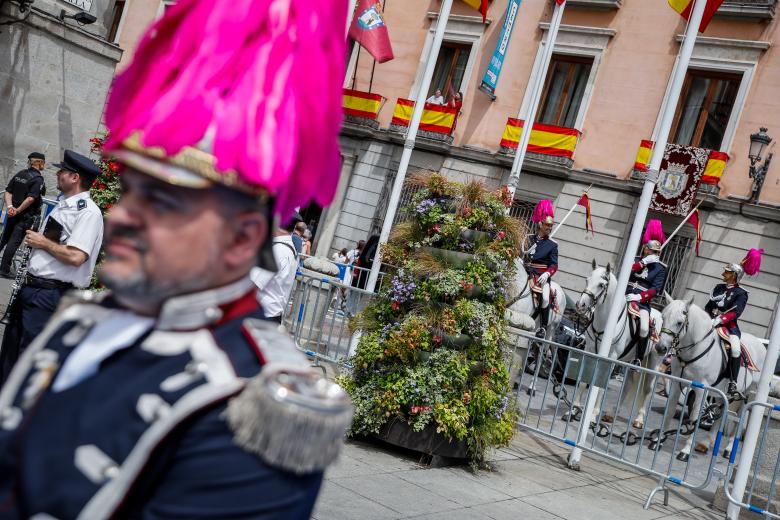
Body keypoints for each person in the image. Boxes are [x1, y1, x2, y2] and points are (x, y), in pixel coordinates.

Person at [0, 0, 352, 517]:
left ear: (239, 239)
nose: (121, 217)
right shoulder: (85, 319)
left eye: (161, 204)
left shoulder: (257, 401)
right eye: (133, 192)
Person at [0, 149, 103, 383]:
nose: (57, 175)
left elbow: (77, 257)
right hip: (33, 290)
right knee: (10, 355)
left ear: (75, 177)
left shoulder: (88, 213)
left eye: (63, 172)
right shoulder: (63, 204)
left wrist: (42, 242)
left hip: (50, 295)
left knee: (29, 362)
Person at [705, 249, 761, 401]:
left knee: (735, 349)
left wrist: (720, 320)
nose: (724, 273)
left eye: (728, 272)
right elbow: (708, 306)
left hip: (729, 327)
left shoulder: (741, 293)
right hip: (712, 321)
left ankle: (732, 383)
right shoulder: (718, 288)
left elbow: (736, 313)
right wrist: (708, 318)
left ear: (734, 276)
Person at [625, 220, 667, 365]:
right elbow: (626, 271)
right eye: (651, 251)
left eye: (656, 252)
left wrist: (639, 297)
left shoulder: (660, 268)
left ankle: (638, 358)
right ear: (645, 249)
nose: (653, 254)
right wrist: (643, 262)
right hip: (624, 297)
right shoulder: (635, 260)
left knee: (643, 327)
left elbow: (655, 289)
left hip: (641, 304)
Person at [0, 151, 47, 277]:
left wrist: (10, 207)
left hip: (12, 213)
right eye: (43, 162)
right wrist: (18, 210)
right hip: (24, 216)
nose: (44, 165)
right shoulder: (38, 179)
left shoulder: (21, 174)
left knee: (4, 238)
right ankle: (4, 270)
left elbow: (8, 191)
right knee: (13, 242)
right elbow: (31, 198)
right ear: (39, 162)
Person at [525, 199, 558, 338]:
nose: (549, 228)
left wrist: (547, 274)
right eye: (547, 225)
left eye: (551, 226)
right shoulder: (529, 238)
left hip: (541, 276)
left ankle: (543, 327)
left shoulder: (552, 245)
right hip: (527, 271)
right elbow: (523, 254)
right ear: (540, 224)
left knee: (544, 297)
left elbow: (554, 265)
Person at [257, 220, 300, 323]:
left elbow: (255, 283)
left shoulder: (277, 250)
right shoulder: (290, 249)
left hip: (264, 314)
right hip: (273, 314)